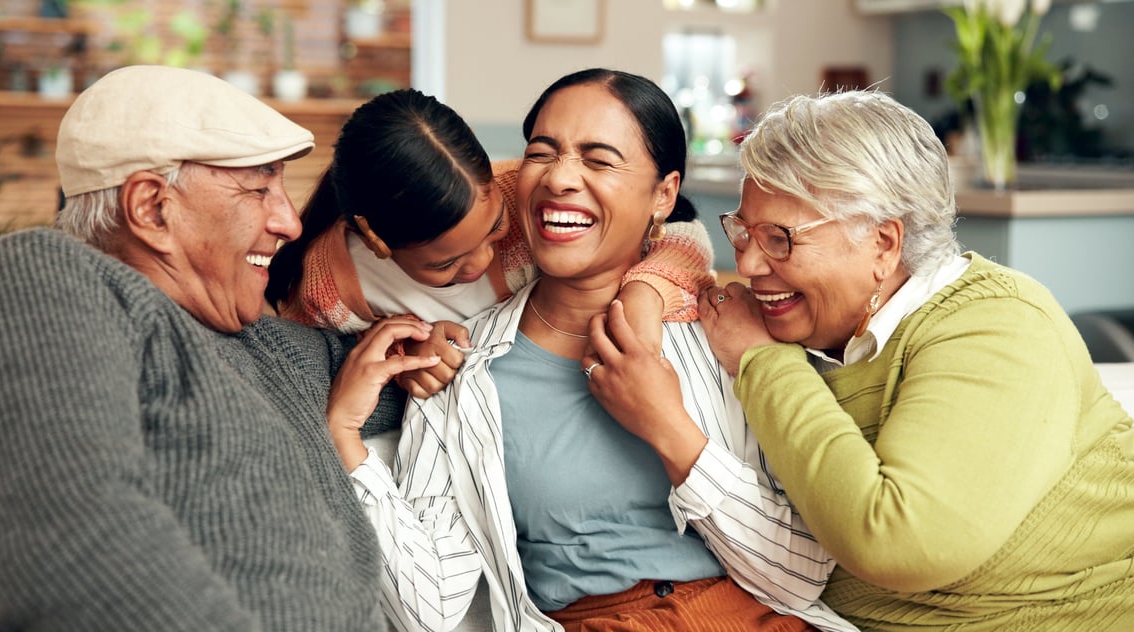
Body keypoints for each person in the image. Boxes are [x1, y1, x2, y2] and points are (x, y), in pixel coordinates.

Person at [329, 68, 858, 632]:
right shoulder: (458, 368)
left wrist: (669, 428)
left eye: (599, 159)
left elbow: (799, 575)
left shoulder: (730, 334)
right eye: (542, 152)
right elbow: (426, 607)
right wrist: (341, 433)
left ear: (664, 195)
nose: (560, 179)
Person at [0, 65, 440, 630]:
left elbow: (431, 383)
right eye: (260, 187)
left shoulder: (266, 345)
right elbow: (78, 563)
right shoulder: (40, 282)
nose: (290, 222)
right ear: (152, 208)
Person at [690, 90, 1134, 630]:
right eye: (743, 231)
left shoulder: (998, 324)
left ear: (882, 243)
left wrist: (762, 363)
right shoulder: (811, 327)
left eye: (780, 239)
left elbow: (898, 540)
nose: (750, 263)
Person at [265, 88, 714, 398]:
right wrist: (406, 354)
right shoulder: (329, 289)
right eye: (446, 263)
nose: (481, 260)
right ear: (376, 240)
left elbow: (680, 227)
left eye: (494, 227)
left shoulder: (527, 192)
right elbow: (339, 366)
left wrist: (647, 290)